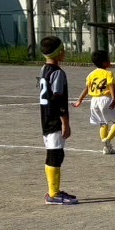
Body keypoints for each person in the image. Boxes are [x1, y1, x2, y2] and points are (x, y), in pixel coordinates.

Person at [37, 35, 76, 205]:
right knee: (55, 154)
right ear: (58, 52)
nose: (65, 52)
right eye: (63, 49)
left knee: (54, 153)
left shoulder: (44, 69)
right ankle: (53, 194)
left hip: (45, 117)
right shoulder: (58, 73)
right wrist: (65, 122)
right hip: (54, 119)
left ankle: (54, 191)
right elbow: (58, 99)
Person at [74, 48, 115, 155]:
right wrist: (114, 99)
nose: (110, 60)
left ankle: (107, 148)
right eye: (108, 59)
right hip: (105, 99)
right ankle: (107, 139)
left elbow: (86, 89)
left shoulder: (91, 74)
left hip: (94, 101)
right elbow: (111, 86)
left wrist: (79, 100)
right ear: (104, 62)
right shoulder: (108, 73)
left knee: (103, 123)